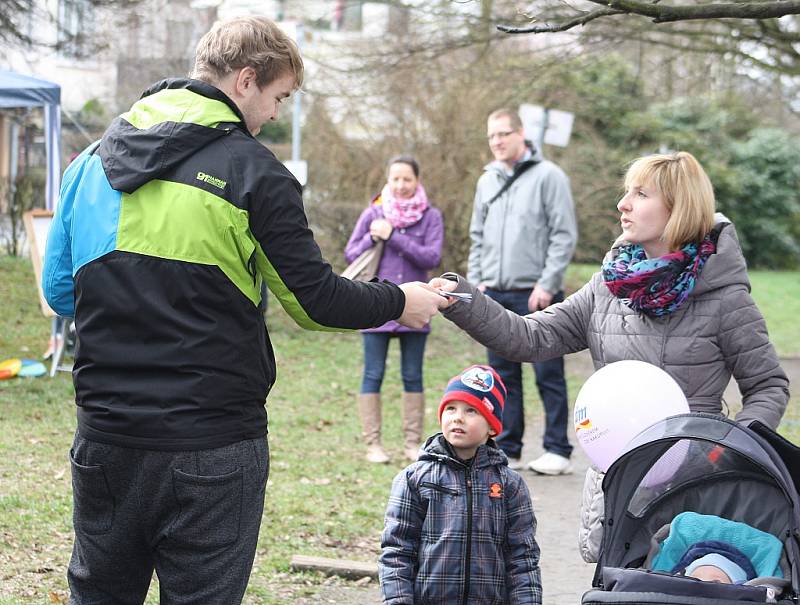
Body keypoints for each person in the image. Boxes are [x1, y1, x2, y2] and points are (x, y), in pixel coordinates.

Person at [41, 16, 445, 605]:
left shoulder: (89, 164)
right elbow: (315, 302)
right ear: (246, 81)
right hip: (213, 444)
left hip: (107, 438)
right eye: (278, 97)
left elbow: (60, 293)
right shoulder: (257, 173)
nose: (277, 115)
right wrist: (399, 300)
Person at [432, 151, 790, 563]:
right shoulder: (607, 287)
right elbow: (528, 338)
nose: (624, 203)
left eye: (640, 194)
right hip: (619, 486)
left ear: (678, 208)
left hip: (698, 489)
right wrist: (462, 299)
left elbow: (768, 386)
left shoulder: (726, 300)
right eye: (626, 192)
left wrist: (725, 448)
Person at [468, 107, 578, 475]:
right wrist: (476, 281)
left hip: (536, 294)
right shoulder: (487, 180)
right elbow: (477, 235)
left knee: (548, 374)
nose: (497, 142)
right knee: (502, 376)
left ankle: (557, 449)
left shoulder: (550, 176)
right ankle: (509, 447)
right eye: (491, 136)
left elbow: (563, 235)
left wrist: (547, 283)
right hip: (494, 293)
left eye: (503, 134)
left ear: (520, 134)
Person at [379, 365, 542, 605]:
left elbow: (522, 557)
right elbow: (397, 551)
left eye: (471, 411)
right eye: (451, 408)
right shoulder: (414, 478)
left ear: (491, 427)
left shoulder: (510, 485)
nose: (458, 417)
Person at [344, 155, 444, 464]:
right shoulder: (373, 214)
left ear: (417, 181)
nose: (401, 185)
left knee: (412, 375)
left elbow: (431, 258)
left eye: (407, 179)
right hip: (376, 305)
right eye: (395, 179)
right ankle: (373, 444)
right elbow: (350, 254)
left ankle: (412, 443)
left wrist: (395, 237)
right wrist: (373, 236)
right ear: (388, 181)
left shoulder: (431, 217)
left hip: (416, 307)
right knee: (372, 374)